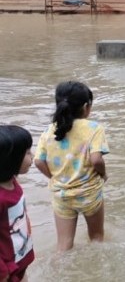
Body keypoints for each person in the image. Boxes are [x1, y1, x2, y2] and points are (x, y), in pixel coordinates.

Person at [34, 81, 109, 252]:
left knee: (64, 245)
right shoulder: (94, 129)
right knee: (97, 238)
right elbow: (96, 160)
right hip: (89, 193)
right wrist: (103, 175)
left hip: (62, 195)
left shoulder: (49, 131)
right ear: (86, 107)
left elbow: (38, 161)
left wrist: (53, 177)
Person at [0, 125, 35, 282]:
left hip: (19, 262)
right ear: (10, 159)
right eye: (27, 152)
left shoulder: (12, 181)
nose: (32, 156)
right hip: (7, 270)